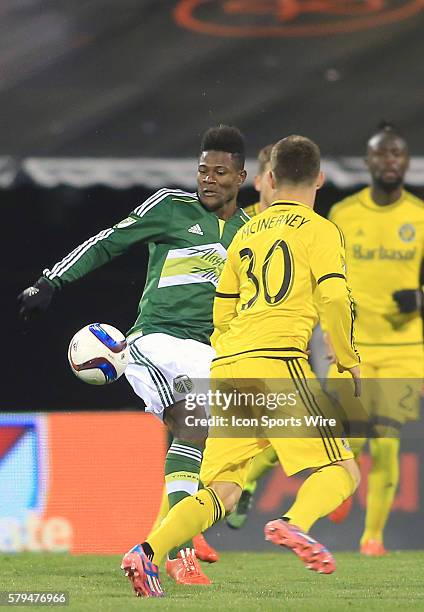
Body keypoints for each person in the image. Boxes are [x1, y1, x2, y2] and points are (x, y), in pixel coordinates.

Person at [121, 135, 361, 598]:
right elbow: (333, 295)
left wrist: (230, 351)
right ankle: (293, 523)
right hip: (280, 363)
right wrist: (348, 359)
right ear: (321, 179)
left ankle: (146, 552)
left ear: (269, 179)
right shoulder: (321, 230)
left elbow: (222, 309)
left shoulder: (246, 231)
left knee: (221, 490)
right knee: (342, 471)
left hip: (230, 365)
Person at [17, 125, 250, 585]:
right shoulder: (169, 207)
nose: (208, 179)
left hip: (211, 351)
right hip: (155, 341)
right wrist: (50, 281)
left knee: (213, 430)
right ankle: (181, 544)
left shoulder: (251, 233)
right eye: (203, 170)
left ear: (241, 177)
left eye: (220, 172)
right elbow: (109, 240)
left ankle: (170, 535)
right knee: (196, 420)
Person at [324, 123, 424, 556]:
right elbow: (323, 277)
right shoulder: (344, 214)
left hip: (405, 349)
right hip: (354, 348)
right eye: (381, 154)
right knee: (351, 437)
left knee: (387, 441)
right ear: (367, 162)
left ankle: (373, 538)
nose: (389, 161)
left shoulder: (420, 216)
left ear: (405, 161)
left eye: (396, 154)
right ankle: (342, 488)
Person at [226, 142, 279, 529]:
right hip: (241, 345)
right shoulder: (237, 226)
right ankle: (177, 539)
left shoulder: (305, 225)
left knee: (281, 437)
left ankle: (245, 485)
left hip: (285, 344)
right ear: (261, 181)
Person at [243, 143, 275, 217]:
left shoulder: (304, 222)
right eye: (272, 177)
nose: (280, 185)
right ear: (258, 182)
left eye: (285, 179)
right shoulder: (239, 224)